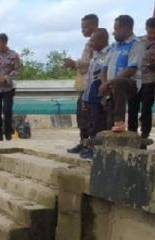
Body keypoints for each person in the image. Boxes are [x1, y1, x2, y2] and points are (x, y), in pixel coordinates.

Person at [99, 15, 142, 132]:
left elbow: (131, 69)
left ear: (126, 28)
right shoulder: (114, 46)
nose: (114, 33)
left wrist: (109, 83)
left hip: (129, 83)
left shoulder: (136, 44)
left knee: (119, 82)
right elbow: (104, 67)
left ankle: (120, 121)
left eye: (116, 29)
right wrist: (104, 83)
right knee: (109, 113)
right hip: (111, 84)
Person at [65, 14, 99, 154]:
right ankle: (83, 142)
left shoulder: (97, 41)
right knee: (81, 116)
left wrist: (76, 63)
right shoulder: (89, 42)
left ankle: (89, 144)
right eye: (82, 27)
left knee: (89, 116)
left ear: (94, 25)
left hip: (92, 86)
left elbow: (96, 63)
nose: (83, 30)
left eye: (85, 27)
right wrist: (75, 65)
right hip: (85, 84)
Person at [79, 28, 110, 160]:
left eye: (93, 40)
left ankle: (98, 151)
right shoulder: (95, 57)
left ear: (102, 40)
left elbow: (103, 77)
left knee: (100, 124)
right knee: (91, 124)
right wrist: (85, 100)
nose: (91, 43)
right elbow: (89, 79)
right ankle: (92, 149)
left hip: (100, 95)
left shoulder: (109, 54)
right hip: (91, 96)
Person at [0, 33, 21, 141]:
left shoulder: (14, 55)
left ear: (5, 42)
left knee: (7, 110)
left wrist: (6, 79)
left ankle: (8, 132)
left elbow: (17, 70)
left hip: (8, 88)